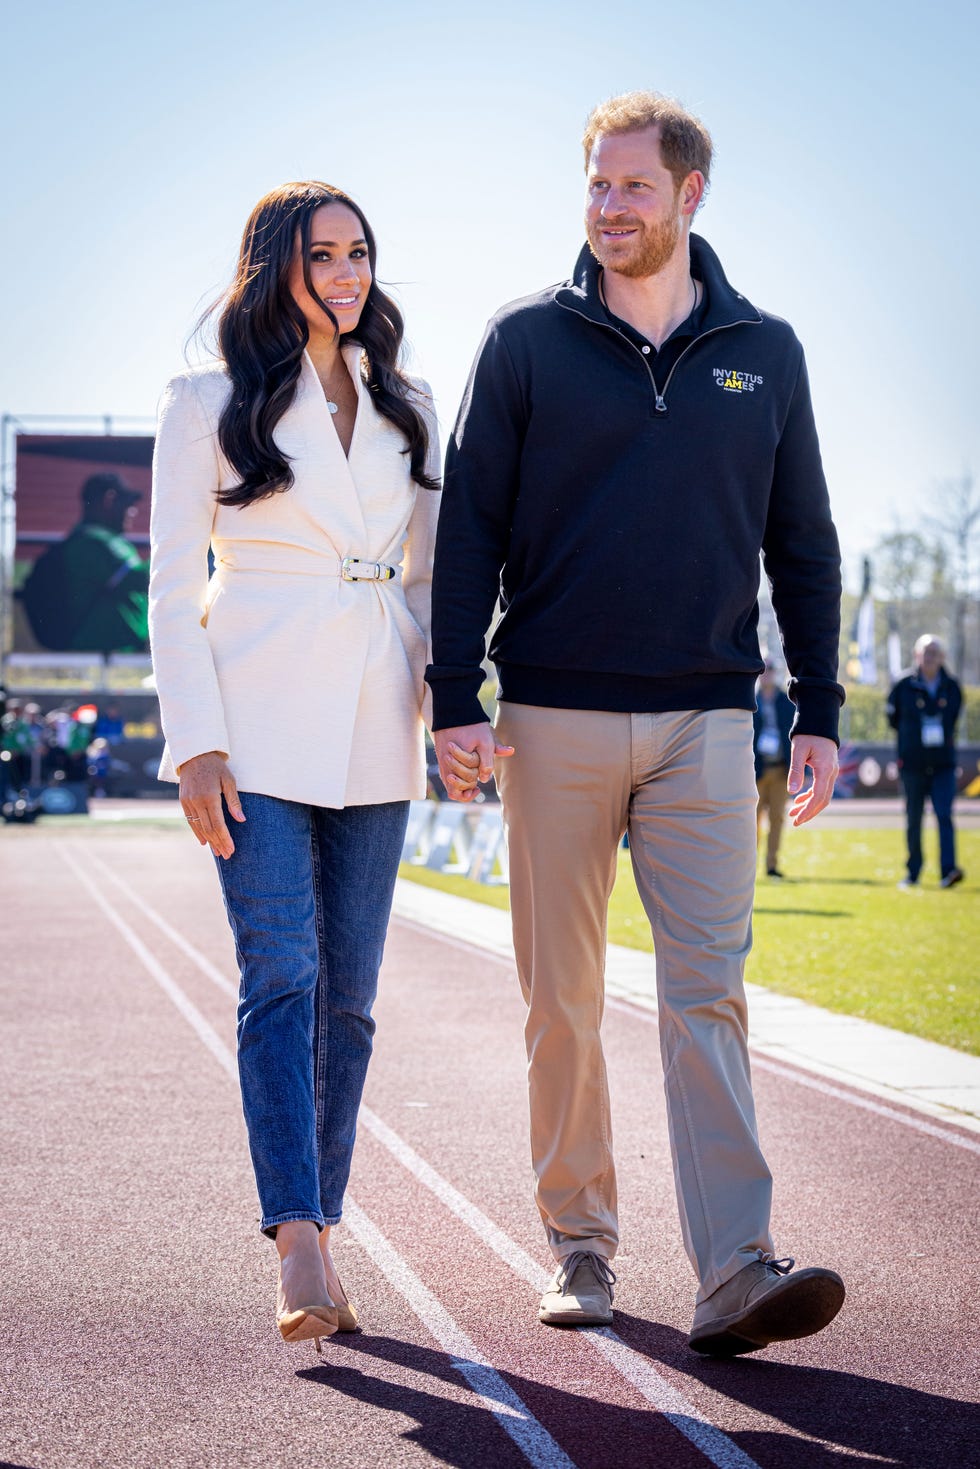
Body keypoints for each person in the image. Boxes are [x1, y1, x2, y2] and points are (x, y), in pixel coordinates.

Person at [427, 91, 847, 1357]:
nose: (608, 208)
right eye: (595, 187)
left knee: (704, 993)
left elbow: (805, 542)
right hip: (549, 713)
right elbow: (469, 535)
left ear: (688, 196)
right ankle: (581, 1243)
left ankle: (733, 1265)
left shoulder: (763, 350)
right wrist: (456, 696)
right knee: (560, 995)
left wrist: (817, 706)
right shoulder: (523, 342)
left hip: (707, 720)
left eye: (631, 188)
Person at [149, 181, 474, 1352]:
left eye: (359, 254)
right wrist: (196, 742)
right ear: (272, 266)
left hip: (379, 718)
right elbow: (171, 592)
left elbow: (436, 580)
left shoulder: (411, 404)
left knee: (349, 998)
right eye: (321, 254)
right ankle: (296, 1235)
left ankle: (319, 1222)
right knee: (280, 974)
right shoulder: (205, 403)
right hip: (252, 722)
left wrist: (452, 708)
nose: (345, 273)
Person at [19, 472, 150, 654]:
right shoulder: (93, 542)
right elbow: (144, 579)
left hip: (109, 654)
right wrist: (185, 549)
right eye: (128, 504)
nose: (133, 512)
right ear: (109, 500)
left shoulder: (90, 540)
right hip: (104, 655)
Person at [887, 634, 964, 889]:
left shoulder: (951, 686)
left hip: (943, 763)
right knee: (913, 818)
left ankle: (948, 870)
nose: (930, 657)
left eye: (935, 653)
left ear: (942, 658)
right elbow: (893, 719)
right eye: (926, 652)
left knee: (944, 815)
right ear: (916, 655)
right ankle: (913, 872)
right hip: (912, 763)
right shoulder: (903, 685)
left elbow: (953, 718)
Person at [753, 660, 796, 878]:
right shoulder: (751, 700)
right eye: (763, 669)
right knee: (752, 821)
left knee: (777, 819)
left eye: (770, 669)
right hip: (756, 771)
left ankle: (771, 866)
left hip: (780, 770)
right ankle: (748, 866)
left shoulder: (786, 702)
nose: (766, 674)